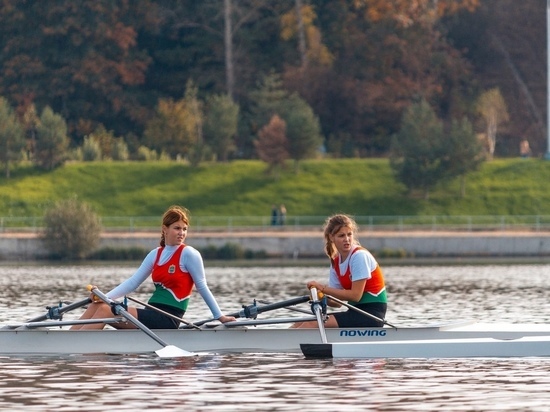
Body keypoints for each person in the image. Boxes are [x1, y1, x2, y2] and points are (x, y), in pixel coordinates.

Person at [71, 205, 236, 330]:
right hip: (152, 313)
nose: (182, 233)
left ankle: (73, 347)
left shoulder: (189, 254)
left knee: (106, 311)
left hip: (168, 318)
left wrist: (219, 316)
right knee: (98, 305)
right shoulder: (155, 254)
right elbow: (133, 282)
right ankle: (66, 340)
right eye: (177, 228)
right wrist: (104, 297)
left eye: (184, 229)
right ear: (165, 229)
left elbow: (202, 286)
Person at [291, 214, 387, 329]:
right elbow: (337, 303)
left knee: (310, 324)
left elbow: (355, 296)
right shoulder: (336, 261)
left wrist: (322, 288)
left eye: (349, 234)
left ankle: (286, 346)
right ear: (331, 237)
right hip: (355, 312)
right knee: (301, 322)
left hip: (372, 315)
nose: (347, 239)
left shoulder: (359, 256)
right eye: (341, 236)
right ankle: (281, 345)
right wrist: (321, 297)